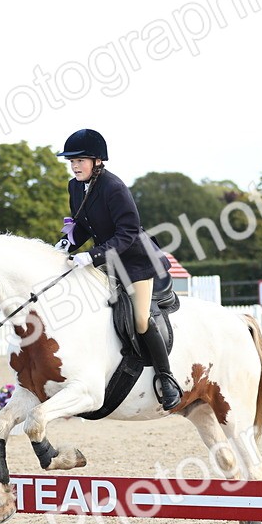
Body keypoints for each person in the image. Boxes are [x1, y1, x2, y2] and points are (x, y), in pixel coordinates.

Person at [56, 128, 182, 410]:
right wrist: (65, 244)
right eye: (72, 162)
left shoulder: (114, 188)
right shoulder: (75, 186)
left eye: (80, 161)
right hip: (109, 263)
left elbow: (127, 233)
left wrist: (92, 255)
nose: (75, 166)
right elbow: (82, 226)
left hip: (137, 263)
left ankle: (166, 377)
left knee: (139, 319)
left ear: (97, 161)